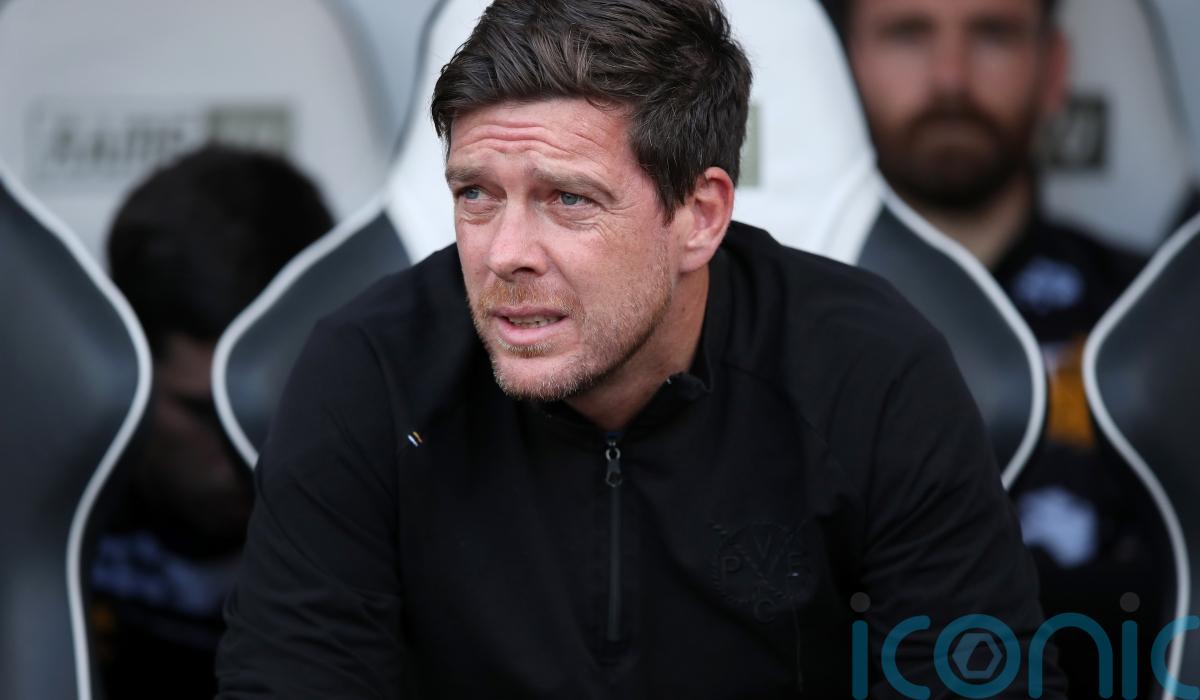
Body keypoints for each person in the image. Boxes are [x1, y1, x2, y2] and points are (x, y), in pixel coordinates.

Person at [216, 1, 1064, 697]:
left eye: (568, 200)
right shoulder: (366, 373)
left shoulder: (871, 370)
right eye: (476, 194)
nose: (505, 253)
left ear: (700, 216)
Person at [826, 0, 1168, 695]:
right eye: (907, 33)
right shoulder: (772, 333)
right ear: (835, 68)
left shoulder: (1158, 321)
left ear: (1054, 70)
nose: (950, 78)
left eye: (994, 32)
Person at [92, 145, 332, 700]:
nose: (238, 453)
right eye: (202, 412)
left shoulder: (369, 527)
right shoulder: (50, 502)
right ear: (125, 372)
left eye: (270, 412)